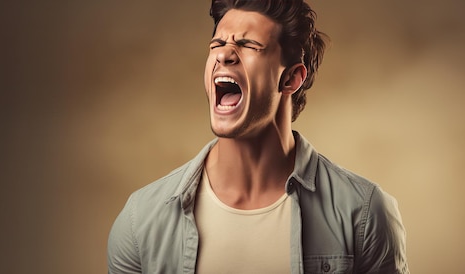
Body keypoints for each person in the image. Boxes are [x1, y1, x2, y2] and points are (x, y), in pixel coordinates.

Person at [107, 0, 409, 273]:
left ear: (291, 78)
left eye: (249, 45)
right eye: (217, 43)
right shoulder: (141, 220)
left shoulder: (365, 214)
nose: (224, 53)